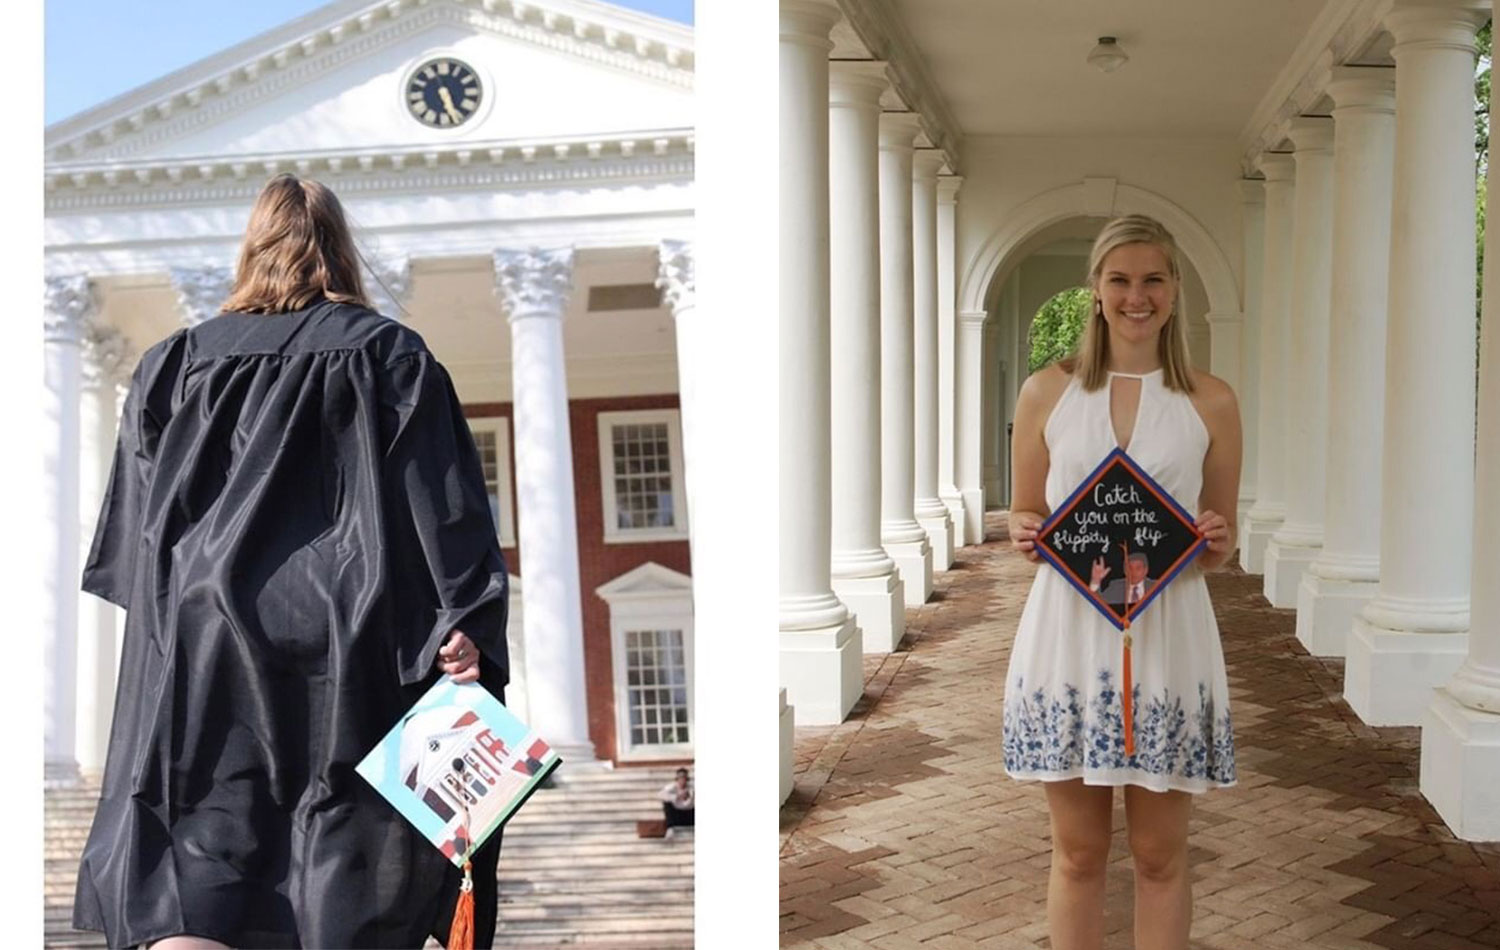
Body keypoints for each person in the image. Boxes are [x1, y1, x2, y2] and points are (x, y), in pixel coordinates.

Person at [72, 174, 512, 950]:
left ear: (251, 250)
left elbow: (133, 547)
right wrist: (466, 619)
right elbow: (442, 510)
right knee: (348, 843)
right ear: (340, 251)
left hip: (205, 644)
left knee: (203, 845)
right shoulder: (390, 355)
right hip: (354, 636)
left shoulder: (172, 367)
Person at [1003, 214, 1240, 950]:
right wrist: (1022, 529)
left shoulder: (1212, 400)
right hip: (1069, 633)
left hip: (1169, 635)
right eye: (1120, 280)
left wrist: (1215, 541)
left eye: (1153, 280)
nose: (1137, 297)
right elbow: (1026, 510)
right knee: (1077, 855)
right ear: (1097, 291)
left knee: (1160, 857)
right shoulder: (1047, 392)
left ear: (1173, 290)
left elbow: (1218, 544)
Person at [1089, 551, 1157, 611]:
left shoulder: (1156, 586)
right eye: (1129, 568)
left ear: (1146, 570)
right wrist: (1096, 581)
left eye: (1138, 568)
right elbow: (1099, 605)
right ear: (1125, 570)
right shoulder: (1116, 587)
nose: (1133, 572)